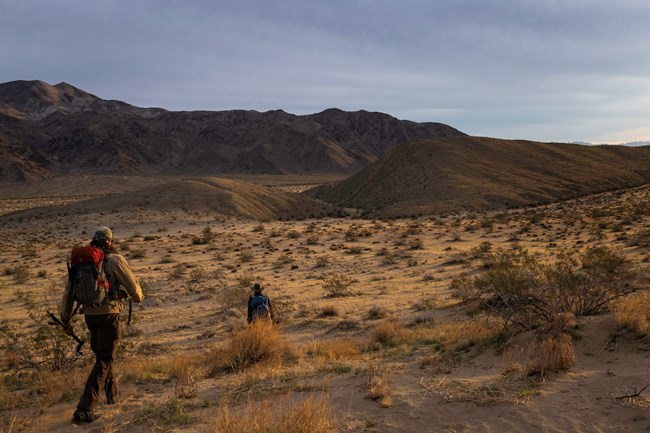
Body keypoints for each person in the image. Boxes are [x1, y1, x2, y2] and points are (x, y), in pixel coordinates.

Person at [60, 226, 144, 423]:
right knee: (105, 359)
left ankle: (112, 396)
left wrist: (65, 319)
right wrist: (138, 296)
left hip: (90, 315)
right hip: (109, 315)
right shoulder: (114, 259)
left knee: (103, 355)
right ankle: (84, 408)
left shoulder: (80, 264)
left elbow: (68, 293)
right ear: (110, 242)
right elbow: (134, 288)